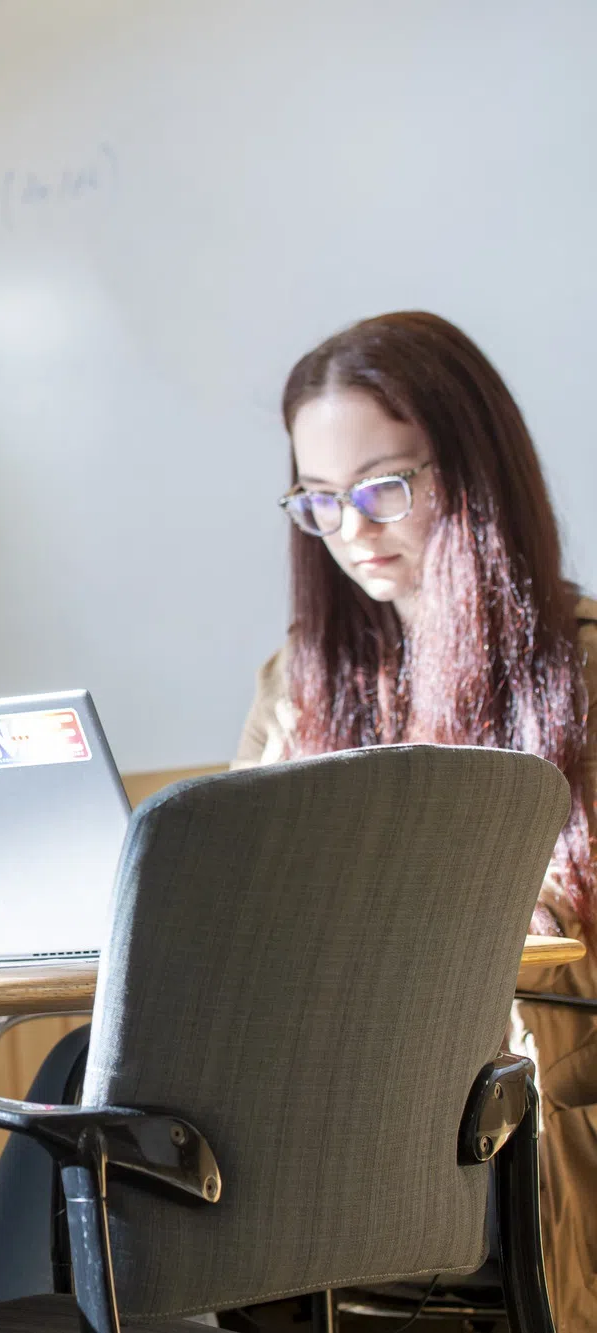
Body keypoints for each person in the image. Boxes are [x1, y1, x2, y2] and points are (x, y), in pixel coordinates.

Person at [232, 310, 597, 1322]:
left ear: (470, 469)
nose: (351, 528)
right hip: (325, 1092)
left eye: (383, 486)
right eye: (317, 500)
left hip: (494, 1112)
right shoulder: (300, 684)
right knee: (78, 1081)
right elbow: (221, 899)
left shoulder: (579, 673)